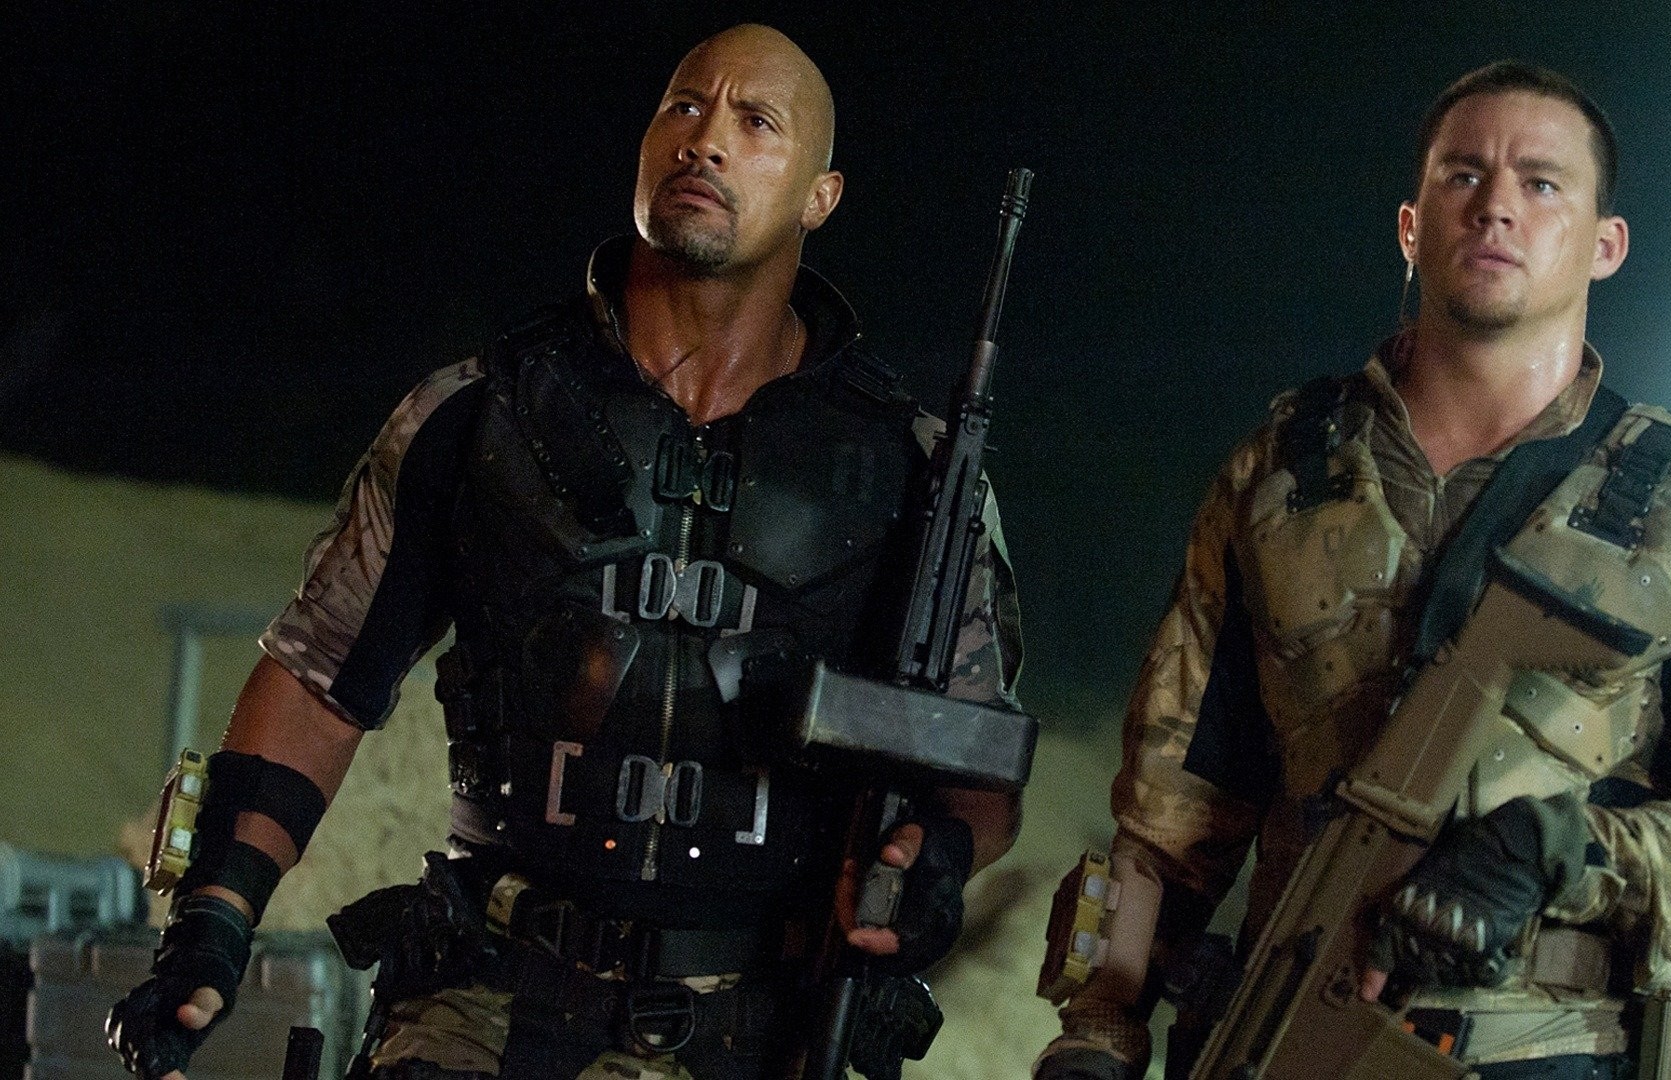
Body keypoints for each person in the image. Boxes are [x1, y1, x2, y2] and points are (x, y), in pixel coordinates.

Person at [105, 23, 1022, 1080]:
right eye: (684, 107)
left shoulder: (911, 471)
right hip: (484, 1000)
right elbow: (319, 681)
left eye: (755, 122)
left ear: (821, 196)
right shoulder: (478, 415)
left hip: (758, 1026)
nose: (705, 140)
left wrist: (939, 860)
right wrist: (214, 921)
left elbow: (977, 763)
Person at [1035, 62, 1671, 1080]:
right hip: (1282, 1042)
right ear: (1411, 228)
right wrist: (1099, 1029)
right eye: (1464, 174)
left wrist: (1565, 856)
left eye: (1541, 182)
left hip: (1548, 1051)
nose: (1497, 204)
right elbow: (1169, 817)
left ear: (1606, 245)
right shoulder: (1280, 473)